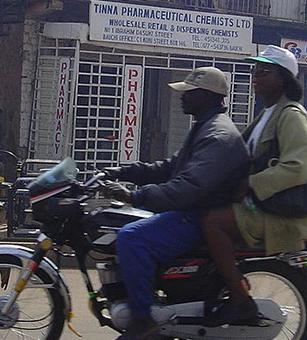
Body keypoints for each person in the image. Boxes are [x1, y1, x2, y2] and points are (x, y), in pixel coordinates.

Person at [102, 66, 250, 339]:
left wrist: (135, 196)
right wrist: (123, 171)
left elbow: (187, 188)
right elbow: (170, 167)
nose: (182, 97)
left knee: (131, 237)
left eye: (188, 93)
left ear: (206, 95)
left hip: (197, 215)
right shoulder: (205, 127)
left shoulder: (217, 135)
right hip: (192, 209)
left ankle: (143, 319)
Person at [199, 45, 307, 327]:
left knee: (213, 223)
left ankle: (239, 300)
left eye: (264, 71)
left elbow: (296, 168)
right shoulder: (267, 114)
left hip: (281, 212)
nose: (255, 76)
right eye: (254, 70)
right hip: (261, 203)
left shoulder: (291, 115)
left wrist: (250, 184)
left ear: (283, 78)